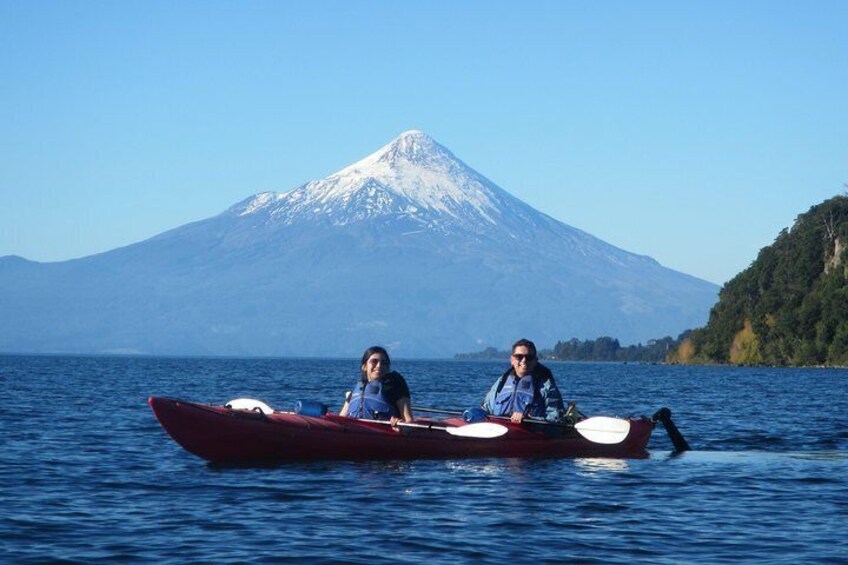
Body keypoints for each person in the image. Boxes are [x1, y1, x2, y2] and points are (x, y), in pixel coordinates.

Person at [481, 338, 564, 423]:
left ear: (535, 360)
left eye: (529, 357)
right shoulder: (501, 382)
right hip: (498, 429)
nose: (524, 360)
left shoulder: (547, 386)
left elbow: (556, 418)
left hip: (531, 431)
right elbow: (485, 409)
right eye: (519, 357)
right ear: (512, 360)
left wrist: (528, 419)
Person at [339, 346, 414, 425]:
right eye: (374, 361)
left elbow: (408, 421)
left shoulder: (395, 385)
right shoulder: (359, 387)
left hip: (382, 433)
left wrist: (400, 427)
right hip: (355, 430)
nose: (379, 366)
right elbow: (341, 418)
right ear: (364, 367)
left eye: (384, 363)